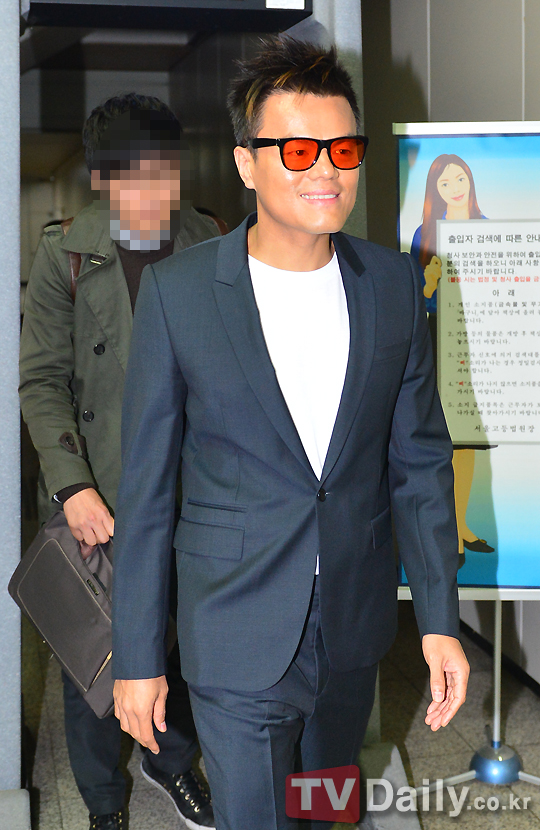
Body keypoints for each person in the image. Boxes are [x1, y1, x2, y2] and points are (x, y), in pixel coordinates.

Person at [112, 39, 470, 830]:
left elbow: (419, 465)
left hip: (351, 627)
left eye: (343, 149)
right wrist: (136, 658)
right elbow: (146, 495)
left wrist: (439, 619)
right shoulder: (179, 295)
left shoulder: (393, 285)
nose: (326, 171)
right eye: (299, 150)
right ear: (247, 163)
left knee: (324, 808)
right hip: (234, 629)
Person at [19, 93, 219, 830]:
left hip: (192, 486)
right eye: (134, 176)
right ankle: (105, 801)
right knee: (97, 654)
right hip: (100, 489)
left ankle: (171, 764)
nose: (154, 193)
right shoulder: (65, 254)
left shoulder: (208, 238)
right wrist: (71, 487)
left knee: (184, 643)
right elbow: (41, 382)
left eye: (164, 172)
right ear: (102, 178)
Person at [410, 153, 494, 555]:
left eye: (460, 178)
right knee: (443, 441)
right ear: (435, 190)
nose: (455, 187)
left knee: (469, 442)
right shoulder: (425, 233)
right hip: (438, 342)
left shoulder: (487, 229)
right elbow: (416, 300)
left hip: (481, 344)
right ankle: (448, 533)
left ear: (470, 180)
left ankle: (462, 525)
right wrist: (429, 284)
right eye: (445, 182)